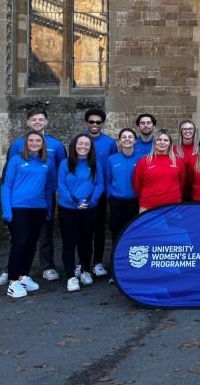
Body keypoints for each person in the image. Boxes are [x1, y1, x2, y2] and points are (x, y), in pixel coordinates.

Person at [0, 108, 66, 287]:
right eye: (33, 119)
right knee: (18, 239)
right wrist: (6, 209)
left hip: (42, 201)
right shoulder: (17, 147)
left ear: (46, 121)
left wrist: (55, 200)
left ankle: (43, 268)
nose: (37, 122)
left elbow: (60, 172)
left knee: (42, 235)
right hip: (18, 203)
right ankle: (10, 272)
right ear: (28, 122)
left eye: (41, 119)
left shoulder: (55, 146)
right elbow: (7, 179)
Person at [1, 131, 56, 298]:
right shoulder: (16, 160)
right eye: (31, 140)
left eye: (38, 140)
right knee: (20, 242)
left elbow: (49, 187)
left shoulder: (48, 162)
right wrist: (6, 210)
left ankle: (23, 276)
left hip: (39, 208)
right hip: (18, 207)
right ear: (26, 143)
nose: (34, 143)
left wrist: (49, 208)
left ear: (43, 143)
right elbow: (6, 185)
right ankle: (12, 282)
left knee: (32, 243)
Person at [57, 134, 104, 292]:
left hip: (89, 209)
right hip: (68, 209)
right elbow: (61, 185)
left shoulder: (96, 164)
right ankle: (71, 276)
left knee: (86, 242)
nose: (83, 146)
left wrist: (91, 200)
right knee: (69, 243)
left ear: (91, 148)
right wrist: (75, 202)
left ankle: (85, 270)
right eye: (80, 143)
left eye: (87, 144)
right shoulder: (65, 163)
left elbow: (100, 184)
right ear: (74, 145)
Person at [83, 108, 118, 278]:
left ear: (102, 123)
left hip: (102, 192)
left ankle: (97, 261)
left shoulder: (110, 143)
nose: (94, 125)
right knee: (83, 228)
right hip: (83, 191)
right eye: (91, 122)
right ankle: (82, 263)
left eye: (98, 122)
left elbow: (113, 167)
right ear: (86, 123)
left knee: (99, 228)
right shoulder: (79, 141)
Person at [106, 128, 140, 261]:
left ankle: (133, 262)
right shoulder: (112, 159)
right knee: (116, 232)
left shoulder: (141, 158)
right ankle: (117, 262)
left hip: (135, 201)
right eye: (124, 137)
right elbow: (108, 180)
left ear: (135, 140)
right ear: (119, 141)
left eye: (130, 137)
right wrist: (110, 195)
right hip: (116, 202)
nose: (127, 139)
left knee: (134, 232)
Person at [132, 129, 185, 212]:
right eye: (159, 140)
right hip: (148, 206)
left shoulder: (178, 161)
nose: (162, 142)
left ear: (170, 143)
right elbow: (137, 184)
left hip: (173, 206)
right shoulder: (144, 161)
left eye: (166, 140)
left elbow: (182, 182)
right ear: (154, 142)